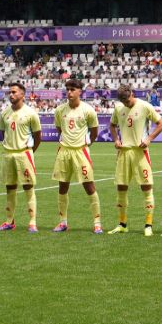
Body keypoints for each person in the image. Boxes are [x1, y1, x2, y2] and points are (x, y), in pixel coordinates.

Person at [108, 85, 162, 235]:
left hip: (140, 153)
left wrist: (149, 139)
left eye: (127, 100)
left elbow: (161, 124)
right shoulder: (118, 108)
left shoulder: (145, 106)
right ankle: (122, 224)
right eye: (123, 102)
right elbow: (112, 125)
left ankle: (148, 226)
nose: (126, 104)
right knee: (121, 188)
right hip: (124, 153)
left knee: (146, 187)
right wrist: (116, 139)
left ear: (132, 94)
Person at [51, 80, 104, 233]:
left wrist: (87, 144)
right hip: (64, 151)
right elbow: (59, 128)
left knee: (89, 186)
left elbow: (94, 131)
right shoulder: (60, 110)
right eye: (67, 89)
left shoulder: (88, 110)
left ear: (80, 91)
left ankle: (97, 223)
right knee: (62, 186)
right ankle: (63, 222)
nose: (69, 92)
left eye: (72, 89)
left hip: (81, 152)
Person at [0, 82, 41, 232]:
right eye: (10, 92)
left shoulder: (30, 113)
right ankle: (9, 221)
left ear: (23, 94)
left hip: (24, 154)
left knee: (28, 186)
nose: (11, 94)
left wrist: (29, 151)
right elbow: (2, 133)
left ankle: (32, 222)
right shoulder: (4, 113)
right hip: (8, 154)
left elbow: (38, 136)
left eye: (14, 92)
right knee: (10, 187)